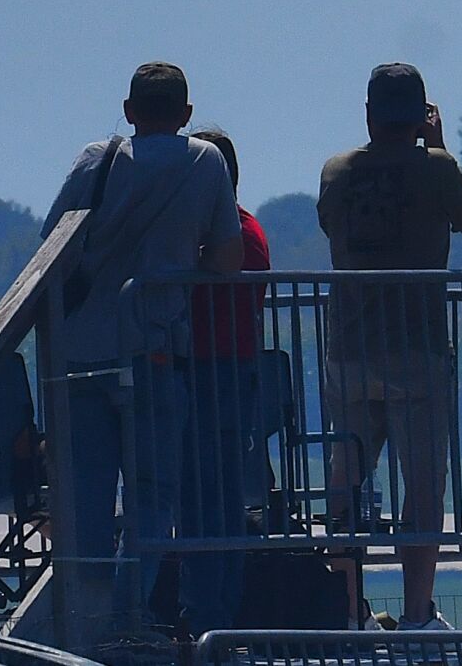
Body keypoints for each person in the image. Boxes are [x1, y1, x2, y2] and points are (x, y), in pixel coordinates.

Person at [40, 63, 243, 627]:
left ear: (129, 111)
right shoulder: (205, 161)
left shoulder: (95, 158)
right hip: (152, 348)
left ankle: (86, 616)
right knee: (152, 495)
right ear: (186, 115)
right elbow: (229, 260)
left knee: (87, 499)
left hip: (80, 354)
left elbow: (51, 245)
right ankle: (131, 618)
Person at [317, 63, 462, 632]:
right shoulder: (435, 167)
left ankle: (346, 610)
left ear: (368, 114)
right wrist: (438, 149)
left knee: (345, 482)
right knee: (421, 486)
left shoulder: (336, 171)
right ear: (420, 117)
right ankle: (417, 614)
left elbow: (328, 224)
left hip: (349, 349)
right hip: (416, 350)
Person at [180, 127, 271, 636]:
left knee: (208, 497)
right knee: (216, 497)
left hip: (215, 374)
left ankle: (210, 613)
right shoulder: (243, 229)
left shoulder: (235, 234)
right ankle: (212, 609)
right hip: (223, 373)